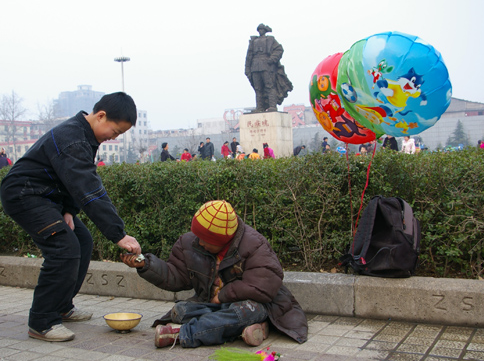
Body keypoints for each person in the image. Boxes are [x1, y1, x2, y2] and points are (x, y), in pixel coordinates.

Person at [0, 92, 142, 342]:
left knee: (82, 240)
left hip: (48, 197)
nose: (114, 137)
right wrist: (118, 234)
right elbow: (88, 189)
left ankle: (62, 306)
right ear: (101, 116)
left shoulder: (85, 136)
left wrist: (68, 209)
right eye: (116, 131)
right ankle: (42, 321)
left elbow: (70, 179)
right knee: (64, 248)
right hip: (26, 194)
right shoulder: (73, 138)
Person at [120, 200, 308, 349]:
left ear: (223, 240)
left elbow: (264, 286)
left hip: (252, 304)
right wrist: (145, 263)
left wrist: (224, 296)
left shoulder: (255, 245)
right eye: (197, 235)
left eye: (205, 239)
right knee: (181, 310)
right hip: (210, 306)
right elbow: (175, 276)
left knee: (250, 311)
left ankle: (182, 334)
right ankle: (244, 329)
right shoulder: (190, 243)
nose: (199, 242)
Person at [245, 24, 293, 112]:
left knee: (270, 86)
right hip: (255, 66)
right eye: (259, 29)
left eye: (262, 29)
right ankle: (260, 107)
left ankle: (272, 106)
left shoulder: (270, 39)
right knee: (258, 88)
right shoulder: (253, 41)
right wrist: (247, 69)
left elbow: (279, 49)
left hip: (266, 66)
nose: (260, 31)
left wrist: (272, 59)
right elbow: (249, 56)